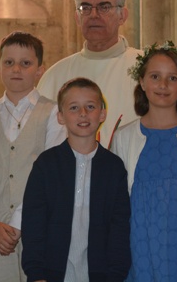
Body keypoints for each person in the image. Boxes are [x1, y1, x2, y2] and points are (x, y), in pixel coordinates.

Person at [0, 0, 177, 147]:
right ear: (77, 18)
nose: (94, 14)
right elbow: (26, 125)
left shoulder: (148, 68)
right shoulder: (56, 74)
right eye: (85, 8)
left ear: (123, 15)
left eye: (104, 7)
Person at [0, 31, 67, 282]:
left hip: (40, 226)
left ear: (40, 70)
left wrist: (19, 223)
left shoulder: (54, 113)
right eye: (9, 62)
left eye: (26, 63)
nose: (16, 69)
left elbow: (52, 175)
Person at [110, 41, 177, 282]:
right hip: (139, 241)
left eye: (172, 78)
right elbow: (117, 200)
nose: (163, 85)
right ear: (142, 82)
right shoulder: (124, 138)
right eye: (155, 76)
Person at [22, 77, 131, 282]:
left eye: (90, 106)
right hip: (51, 274)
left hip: (100, 275)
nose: (83, 113)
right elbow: (33, 223)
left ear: (102, 113)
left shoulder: (114, 168)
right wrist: (36, 273)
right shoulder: (46, 165)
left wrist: (115, 275)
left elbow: (119, 228)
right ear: (61, 116)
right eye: (74, 107)